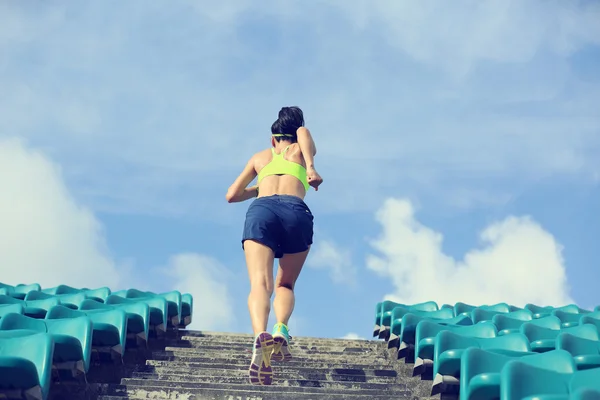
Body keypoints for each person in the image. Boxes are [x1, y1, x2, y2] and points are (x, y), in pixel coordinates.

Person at [225, 106, 323, 386]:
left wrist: (260, 187)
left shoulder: (260, 157)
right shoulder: (300, 149)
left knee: (260, 285)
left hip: (262, 210)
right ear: (294, 135)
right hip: (296, 211)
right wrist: (311, 169)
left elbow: (231, 195)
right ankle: (281, 328)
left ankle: (260, 335)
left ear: (272, 139)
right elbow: (303, 132)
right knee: (285, 285)